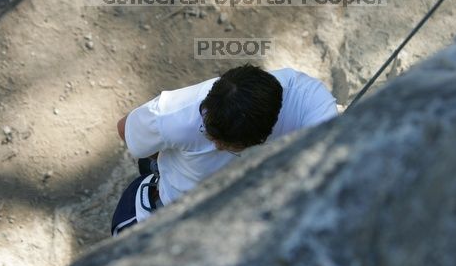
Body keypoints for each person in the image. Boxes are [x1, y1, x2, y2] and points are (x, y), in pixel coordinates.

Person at [111, 64, 338, 236]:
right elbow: (125, 129)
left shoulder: (311, 102)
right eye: (209, 131)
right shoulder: (175, 115)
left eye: (223, 144)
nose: (215, 144)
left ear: (261, 137)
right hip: (167, 214)